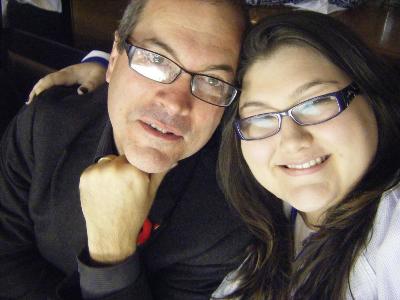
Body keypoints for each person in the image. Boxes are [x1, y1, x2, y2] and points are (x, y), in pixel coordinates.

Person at [0, 0, 252, 299]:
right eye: (156, 59)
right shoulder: (42, 126)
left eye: (213, 80)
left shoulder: (229, 218)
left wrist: (111, 254)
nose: (175, 103)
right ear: (116, 56)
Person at [213, 10, 400, 299]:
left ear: (370, 93)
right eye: (260, 118)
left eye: (316, 103)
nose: (291, 140)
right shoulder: (266, 223)